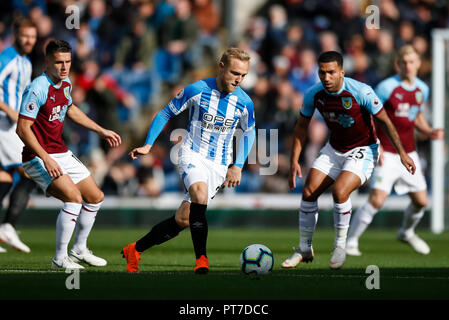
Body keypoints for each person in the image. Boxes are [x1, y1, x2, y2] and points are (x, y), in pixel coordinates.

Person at [121, 48, 256, 274]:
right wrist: (148, 144)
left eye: (243, 75)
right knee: (200, 195)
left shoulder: (245, 102)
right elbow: (165, 113)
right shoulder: (197, 90)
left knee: (184, 219)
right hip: (192, 154)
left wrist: (237, 166)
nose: (238, 79)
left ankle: (134, 250)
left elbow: (249, 132)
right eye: (235, 73)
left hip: (219, 165)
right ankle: (201, 259)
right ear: (221, 66)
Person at [281, 51, 415, 270]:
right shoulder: (314, 94)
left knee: (340, 191)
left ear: (341, 72)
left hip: (363, 149)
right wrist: (294, 160)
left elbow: (385, 122)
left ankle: (340, 246)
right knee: (308, 192)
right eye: (322, 72)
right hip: (334, 149)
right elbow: (301, 127)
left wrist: (402, 152)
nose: (326, 77)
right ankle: (304, 248)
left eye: (331, 72)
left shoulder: (361, 92)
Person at [16, 40, 121, 269]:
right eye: (59, 62)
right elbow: (22, 129)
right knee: (73, 198)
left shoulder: (66, 83)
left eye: (68, 61)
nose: (64, 67)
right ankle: (59, 259)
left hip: (61, 152)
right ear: (47, 62)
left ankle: (79, 249)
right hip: (37, 157)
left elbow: (70, 109)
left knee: (95, 197)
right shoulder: (38, 88)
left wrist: (100, 130)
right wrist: (46, 158)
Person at [346, 45, 444, 256]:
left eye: (412, 62)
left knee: (421, 201)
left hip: (409, 153)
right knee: (377, 200)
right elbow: (369, 115)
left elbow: (415, 116)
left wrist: (429, 130)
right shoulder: (386, 87)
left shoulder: (422, 89)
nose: (408, 66)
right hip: (388, 152)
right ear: (398, 64)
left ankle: (406, 232)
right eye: (404, 62)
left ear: (419, 63)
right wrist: (376, 144)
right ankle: (350, 242)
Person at [0, 18, 37, 253]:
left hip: (11, 126)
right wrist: (9, 111)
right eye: (25, 36)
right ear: (15, 35)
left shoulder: (26, 62)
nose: (29, 41)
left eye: (32, 37)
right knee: (31, 171)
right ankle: (8, 226)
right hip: (4, 125)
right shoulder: (7, 58)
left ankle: (6, 227)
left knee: (3, 177)